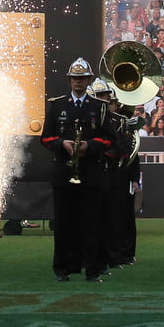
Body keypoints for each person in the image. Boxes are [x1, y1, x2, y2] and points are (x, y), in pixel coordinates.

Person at [41, 58, 113, 283]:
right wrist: (62, 144)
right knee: (63, 223)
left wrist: (89, 146)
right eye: (74, 78)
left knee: (91, 223)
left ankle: (92, 270)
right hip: (64, 171)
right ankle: (63, 269)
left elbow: (110, 139)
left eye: (82, 79)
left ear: (89, 80)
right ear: (69, 80)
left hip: (90, 171)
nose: (78, 83)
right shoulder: (57, 105)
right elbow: (45, 138)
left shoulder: (100, 107)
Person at [90, 79, 139, 270]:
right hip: (95, 173)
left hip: (115, 175)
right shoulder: (90, 118)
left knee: (116, 218)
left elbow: (129, 150)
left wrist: (134, 178)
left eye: (108, 98)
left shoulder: (120, 122)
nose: (106, 101)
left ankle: (115, 255)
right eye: (101, 97)